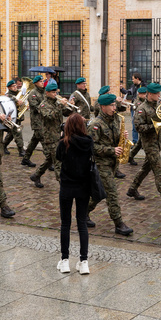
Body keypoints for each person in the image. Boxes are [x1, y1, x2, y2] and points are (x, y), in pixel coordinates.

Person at [87, 93, 133, 236]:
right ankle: (119, 224)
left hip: (113, 163)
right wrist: (111, 150)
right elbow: (91, 148)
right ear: (103, 107)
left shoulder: (115, 120)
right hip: (101, 164)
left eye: (114, 105)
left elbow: (113, 140)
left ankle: (83, 212)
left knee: (99, 194)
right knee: (112, 193)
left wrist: (122, 137)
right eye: (112, 105)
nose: (115, 108)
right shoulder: (95, 125)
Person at [127, 83, 161, 207]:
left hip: (158, 141)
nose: (159, 95)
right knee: (158, 169)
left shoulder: (159, 105)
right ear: (150, 94)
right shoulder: (142, 108)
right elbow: (138, 127)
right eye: (157, 93)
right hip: (149, 143)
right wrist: (153, 126)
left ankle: (132, 189)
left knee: (146, 168)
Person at [55, 113, 93, 275]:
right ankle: (83, 261)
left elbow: (57, 157)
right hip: (84, 187)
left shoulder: (64, 143)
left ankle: (65, 261)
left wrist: (62, 136)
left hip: (67, 187)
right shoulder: (89, 142)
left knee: (65, 223)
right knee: (82, 223)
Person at [29, 80, 74, 187]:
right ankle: (63, 185)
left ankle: (36, 175)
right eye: (53, 92)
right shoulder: (43, 105)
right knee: (58, 161)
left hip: (59, 135)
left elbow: (66, 113)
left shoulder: (56, 103)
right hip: (49, 136)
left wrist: (70, 106)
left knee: (50, 159)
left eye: (56, 92)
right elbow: (49, 116)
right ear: (47, 93)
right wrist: (60, 106)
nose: (55, 94)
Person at [22, 75, 44, 168]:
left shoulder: (44, 92)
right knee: (44, 140)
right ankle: (51, 161)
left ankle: (25, 159)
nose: (42, 83)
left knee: (34, 141)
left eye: (43, 81)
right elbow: (36, 107)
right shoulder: (33, 93)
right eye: (41, 81)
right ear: (36, 83)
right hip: (37, 120)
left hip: (43, 120)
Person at [2, 80, 26, 159]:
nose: (15, 87)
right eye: (13, 86)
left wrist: (25, 105)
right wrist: (18, 101)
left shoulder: (19, 93)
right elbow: (15, 101)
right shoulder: (8, 95)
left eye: (16, 86)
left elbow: (22, 103)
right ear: (9, 87)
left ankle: (4, 146)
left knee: (12, 134)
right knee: (17, 133)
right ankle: (21, 150)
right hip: (11, 117)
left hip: (18, 116)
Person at [123, 73, 144, 165]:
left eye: (133, 79)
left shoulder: (144, 86)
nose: (132, 80)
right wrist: (122, 89)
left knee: (142, 125)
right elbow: (129, 92)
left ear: (137, 78)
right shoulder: (133, 86)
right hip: (133, 108)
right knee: (134, 125)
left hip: (142, 109)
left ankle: (141, 142)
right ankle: (135, 142)